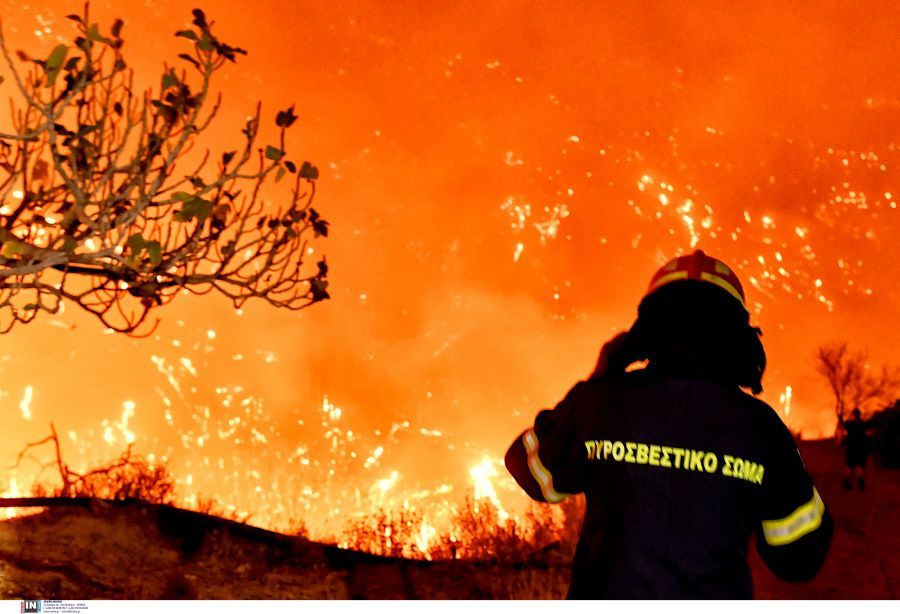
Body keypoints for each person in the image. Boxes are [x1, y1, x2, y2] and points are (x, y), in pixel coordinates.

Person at [504, 250, 833, 599]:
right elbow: (800, 558)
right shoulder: (761, 428)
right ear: (736, 334)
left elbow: (529, 470)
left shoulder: (602, 404)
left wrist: (597, 380)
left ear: (647, 328)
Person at [842, 409, 871, 490]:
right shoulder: (863, 424)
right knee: (860, 465)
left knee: (849, 465)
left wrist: (849, 417)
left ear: (854, 415)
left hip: (851, 448)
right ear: (860, 414)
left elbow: (844, 424)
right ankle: (860, 481)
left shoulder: (850, 424)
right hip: (860, 448)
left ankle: (847, 482)